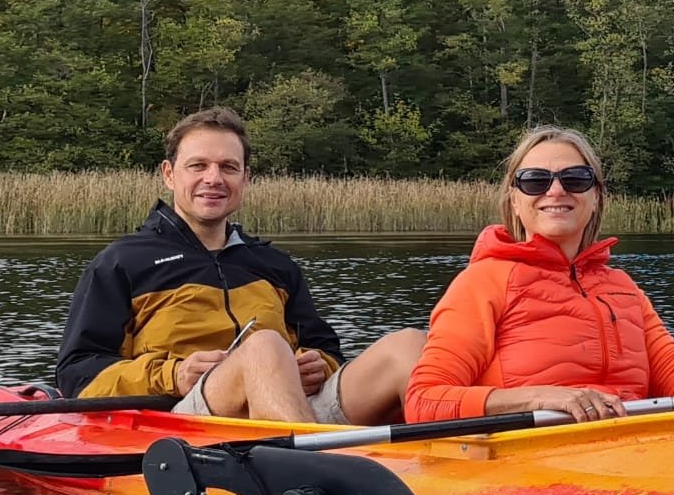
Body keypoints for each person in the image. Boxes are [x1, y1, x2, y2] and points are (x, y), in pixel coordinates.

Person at [406, 124, 674, 423]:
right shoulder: (483, 282)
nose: (555, 191)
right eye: (535, 180)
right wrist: (543, 396)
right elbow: (424, 401)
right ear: (515, 199)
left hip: (628, 449)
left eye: (575, 179)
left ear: (596, 196)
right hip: (530, 459)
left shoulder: (623, 289)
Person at [56, 107, 424, 423]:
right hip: (183, 416)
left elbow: (326, 349)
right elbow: (77, 376)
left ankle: (463, 462)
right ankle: (313, 475)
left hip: (294, 408)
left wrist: (320, 365)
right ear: (169, 174)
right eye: (198, 165)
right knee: (264, 345)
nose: (213, 178)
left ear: (245, 179)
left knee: (408, 344)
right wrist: (173, 374)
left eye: (228, 167)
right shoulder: (123, 262)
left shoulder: (274, 265)